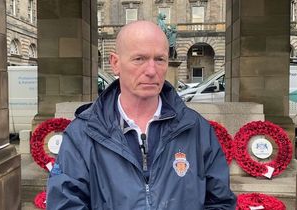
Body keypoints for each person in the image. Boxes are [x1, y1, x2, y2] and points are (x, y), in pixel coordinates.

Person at [47, 20, 236, 209]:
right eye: (139, 59)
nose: (152, 71)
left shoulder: (196, 128)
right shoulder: (82, 133)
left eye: (160, 59)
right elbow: (65, 203)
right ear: (115, 63)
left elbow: (220, 202)